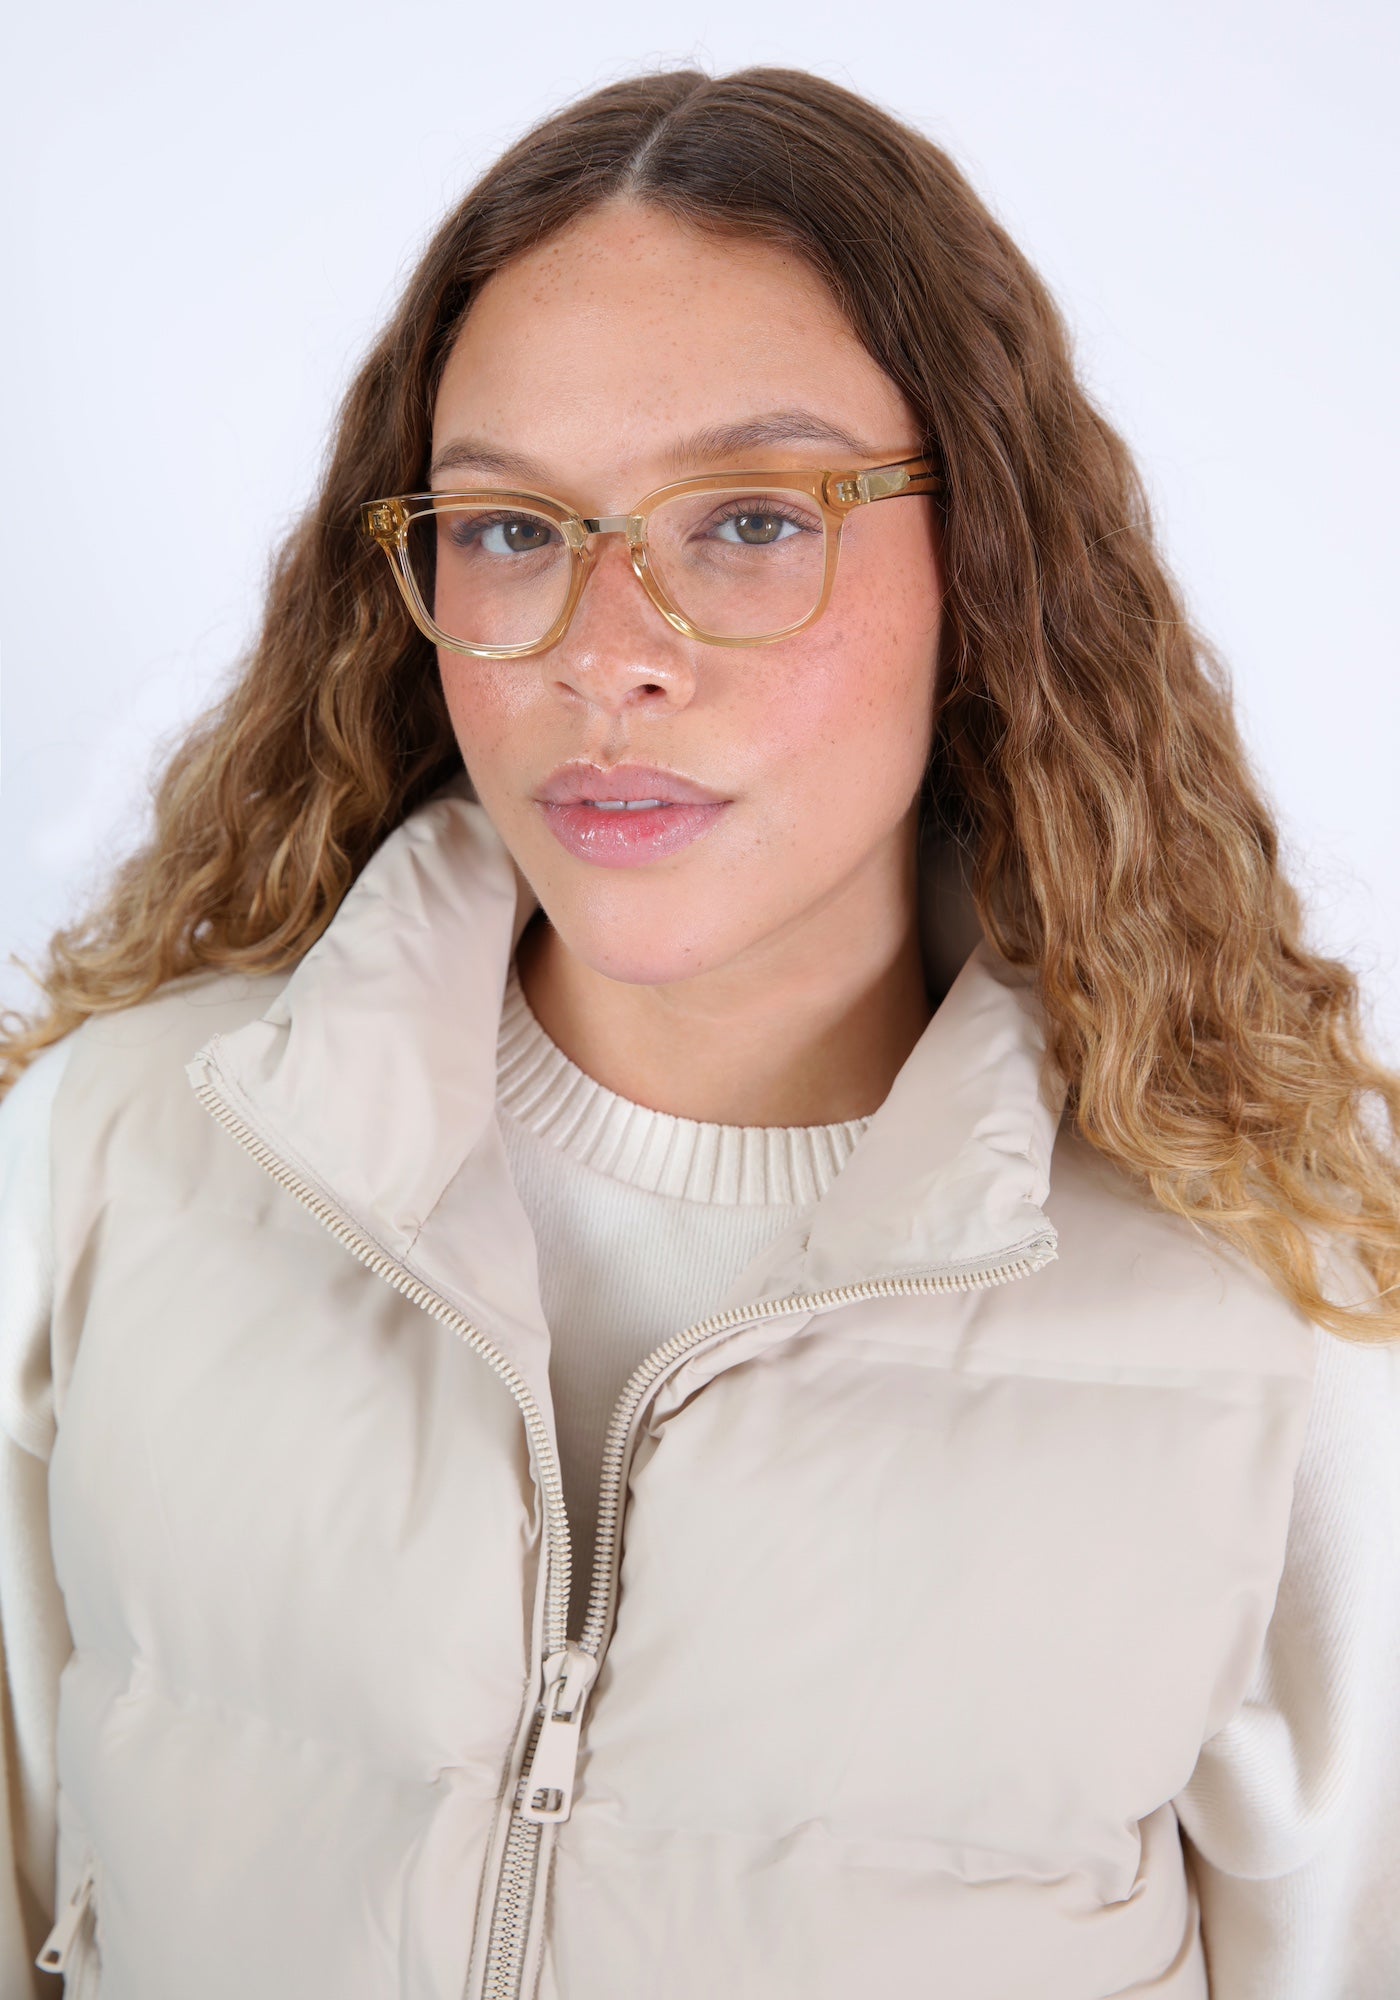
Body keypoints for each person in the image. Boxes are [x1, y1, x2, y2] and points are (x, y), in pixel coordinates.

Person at [1, 62, 1397, 2000]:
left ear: (984, 568)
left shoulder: (1283, 1304)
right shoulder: (110, 1154)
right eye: (507, 528)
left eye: (746, 518)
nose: (603, 648)